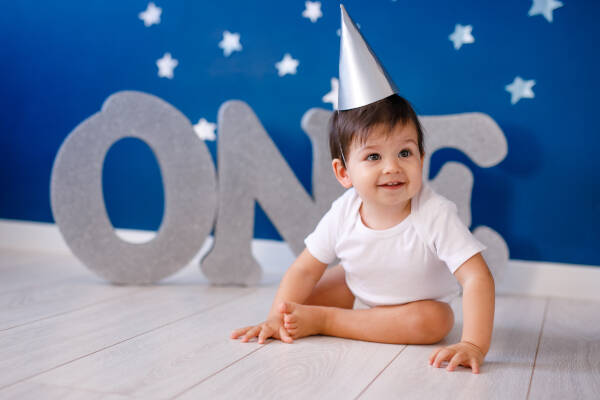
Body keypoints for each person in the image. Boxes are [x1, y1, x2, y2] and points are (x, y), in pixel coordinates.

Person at [231, 5, 495, 374]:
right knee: (306, 296)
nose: (392, 167)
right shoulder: (344, 210)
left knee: (435, 321)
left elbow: (476, 276)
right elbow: (305, 270)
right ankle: (320, 316)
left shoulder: (433, 213)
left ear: (422, 157)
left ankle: (329, 322)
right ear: (343, 172)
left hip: (416, 304)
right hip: (361, 288)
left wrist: (473, 343)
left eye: (405, 152)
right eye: (373, 156)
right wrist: (276, 317)